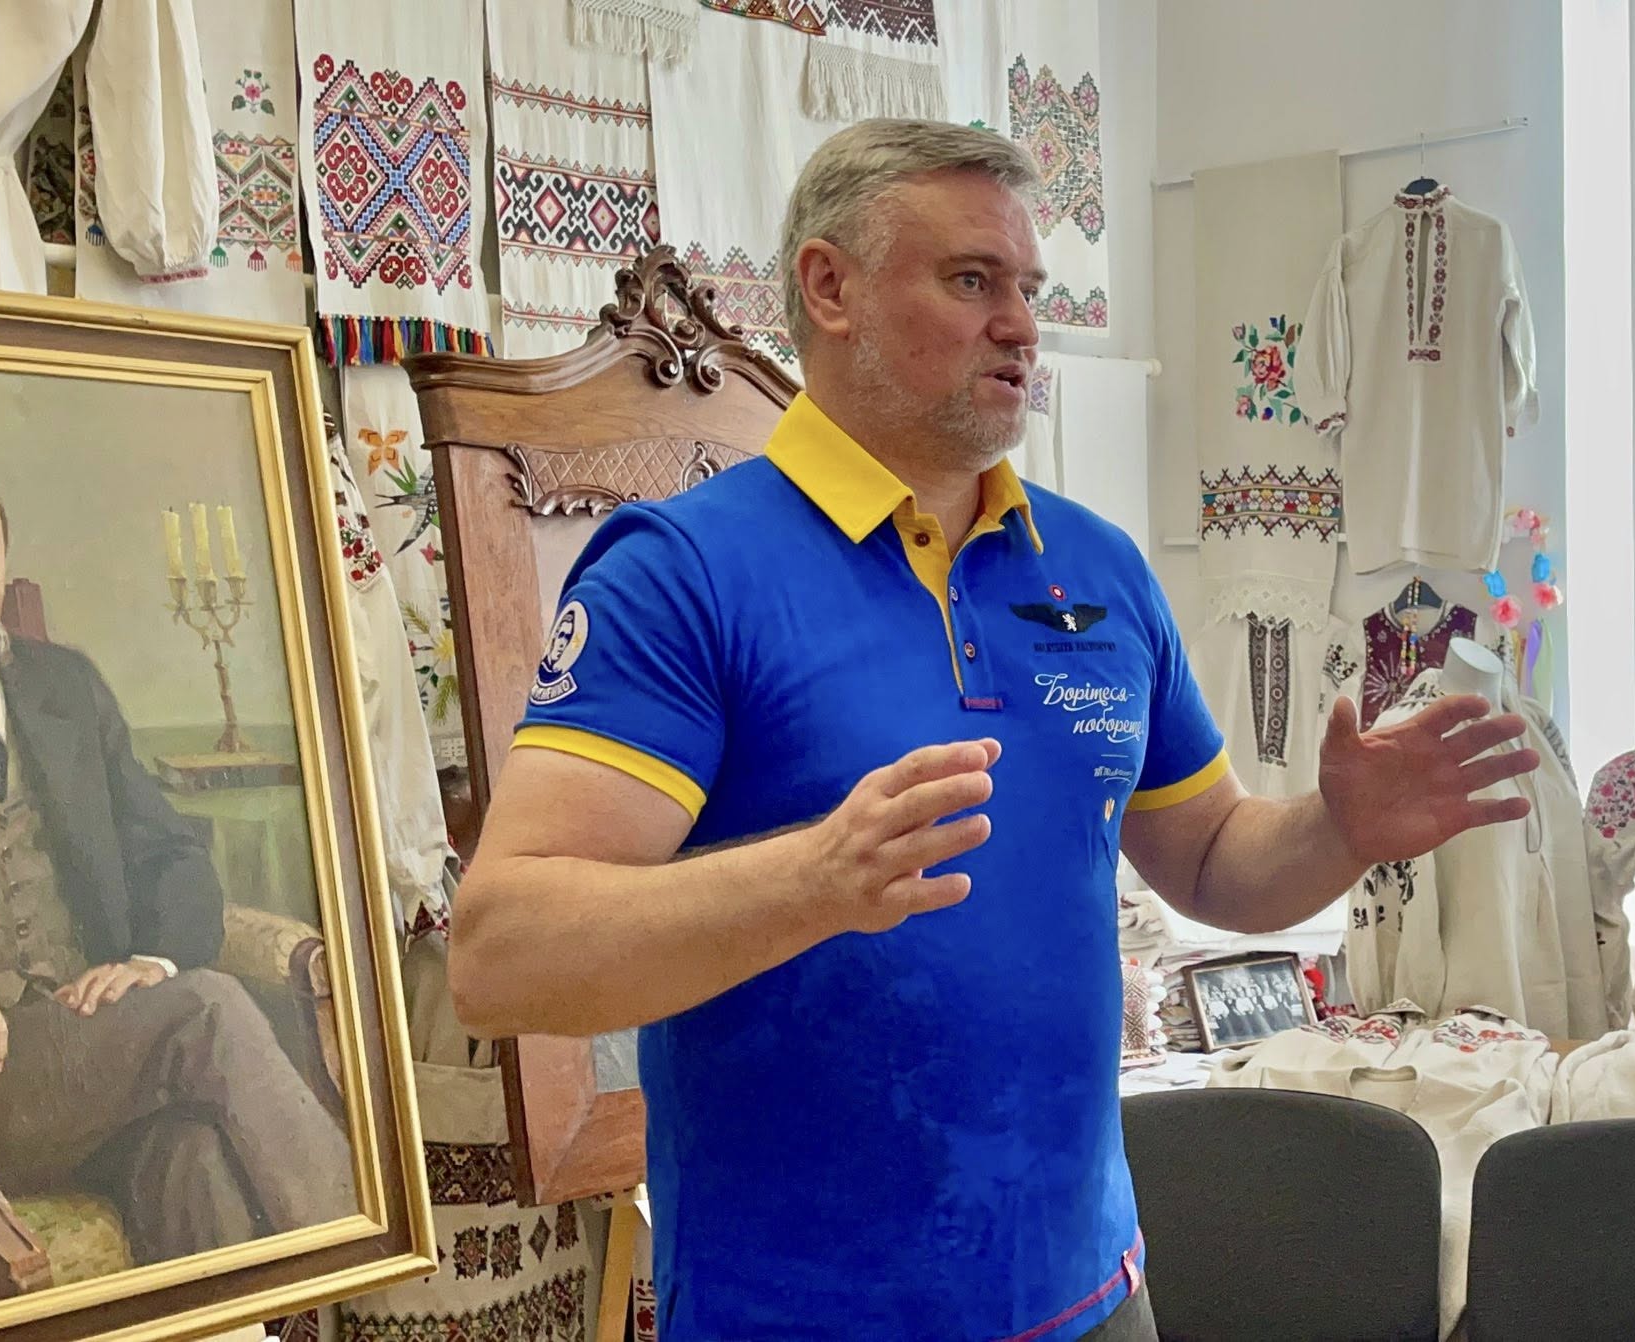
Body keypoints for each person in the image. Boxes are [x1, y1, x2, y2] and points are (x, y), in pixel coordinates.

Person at [451, 119, 1540, 1340]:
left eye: (1026, 287)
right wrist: (808, 883)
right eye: (971, 281)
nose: (1021, 325)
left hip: (1091, 1296)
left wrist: (1336, 829)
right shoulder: (680, 574)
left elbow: (1212, 858)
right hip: (805, 1317)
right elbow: (501, 956)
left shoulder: (1096, 567)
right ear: (829, 288)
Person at [0, 449, 354, 1290]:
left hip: (86, 1061)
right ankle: (371, 1262)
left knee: (195, 1162)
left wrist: (150, 963)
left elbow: (171, 854)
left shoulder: (64, 686)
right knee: (206, 1008)